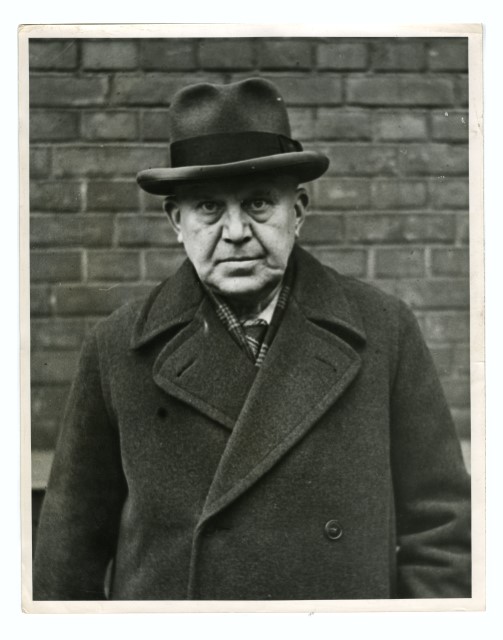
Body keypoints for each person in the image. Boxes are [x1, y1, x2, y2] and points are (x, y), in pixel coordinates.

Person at [33, 77, 471, 601]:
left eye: (259, 203)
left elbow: (442, 533)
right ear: (176, 221)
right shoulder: (117, 348)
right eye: (209, 208)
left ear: (298, 211)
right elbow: (66, 560)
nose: (236, 231)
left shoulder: (383, 330)